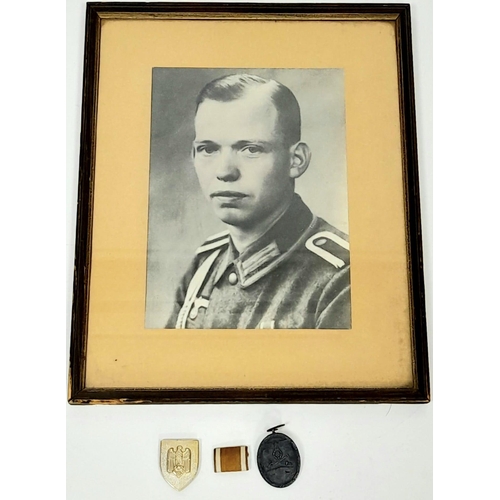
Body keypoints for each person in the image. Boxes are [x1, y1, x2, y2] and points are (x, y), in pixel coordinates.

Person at [166, 74, 351, 329]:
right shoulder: (204, 265)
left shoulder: (342, 277)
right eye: (209, 149)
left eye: (250, 149)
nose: (224, 172)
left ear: (296, 160)